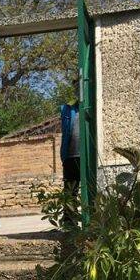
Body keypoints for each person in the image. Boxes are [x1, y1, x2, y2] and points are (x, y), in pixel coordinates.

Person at [60, 81, 81, 225]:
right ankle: (70, 222)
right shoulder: (67, 109)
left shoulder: (91, 107)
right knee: (69, 192)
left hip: (87, 157)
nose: (78, 90)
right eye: (76, 87)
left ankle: (93, 221)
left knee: (90, 189)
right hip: (70, 156)